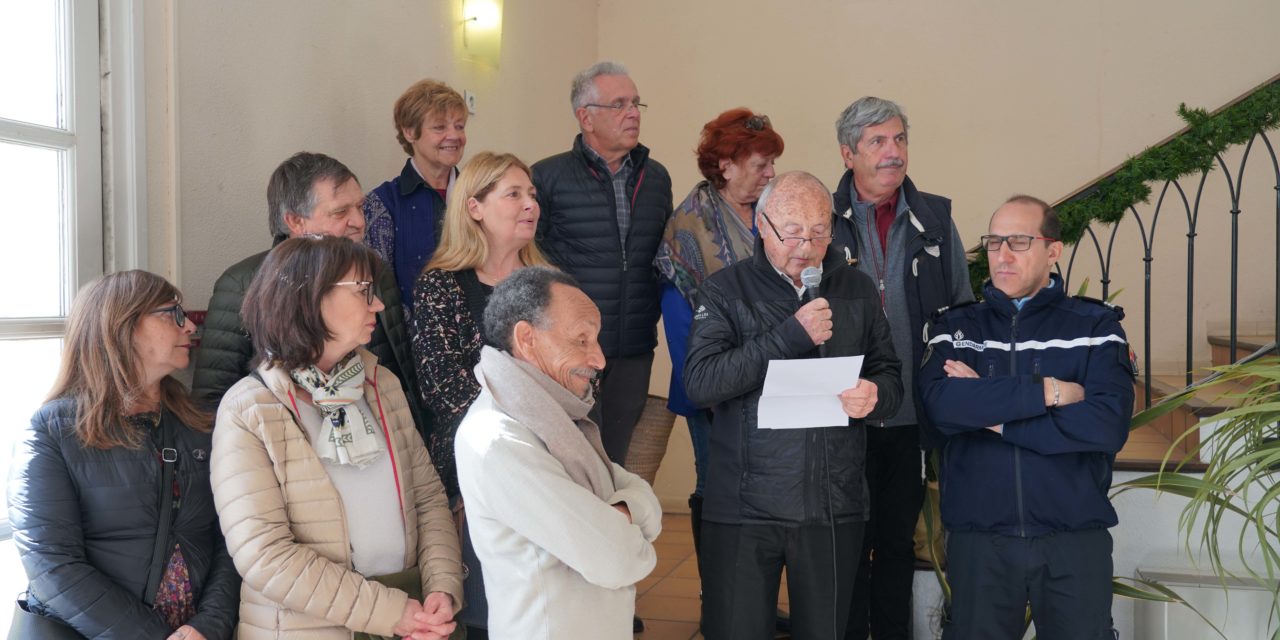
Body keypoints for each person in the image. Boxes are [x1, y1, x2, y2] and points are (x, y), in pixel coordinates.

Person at [684, 171, 903, 639]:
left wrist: (876, 395)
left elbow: (890, 374)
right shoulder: (726, 290)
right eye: (793, 232)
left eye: (819, 232)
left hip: (832, 502)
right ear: (762, 225)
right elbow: (700, 383)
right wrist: (788, 336)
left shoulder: (856, 289)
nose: (805, 246)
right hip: (744, 506)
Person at [211, 236, 463, 640]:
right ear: (310, 298)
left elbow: (429, 501)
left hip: (411, 621)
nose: (378, 305)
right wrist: (388, 612)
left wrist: (442, 589)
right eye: (364, 291)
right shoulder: (248, 407)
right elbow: (265, 556)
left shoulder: (381, 384)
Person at [918, 195, 1135, 639]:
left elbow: (1106, 423)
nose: (1002, 255)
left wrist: (994, 416)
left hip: (1072, 535)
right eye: (994, 242)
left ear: (1052, 251)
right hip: (980, 539)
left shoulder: (1094, 327)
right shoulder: (959, 328)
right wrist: (1050, 392)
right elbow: (941, 407)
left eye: (1018, 242)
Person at [8, 270, 240, 639]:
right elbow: (52, 565)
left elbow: (231, 538)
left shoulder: (199, 424)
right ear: (123, 326)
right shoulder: (52, 430)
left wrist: (208, 626)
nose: (190, 328)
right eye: (172, 314)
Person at [831, 96, 975, 640]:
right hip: (842, 413)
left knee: (895, 542)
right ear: (849, 154)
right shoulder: (822, 218)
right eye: (877, 142)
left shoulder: (935, 217)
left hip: (913, 410)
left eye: (899, 140)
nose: (893, 153)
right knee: (846, 542)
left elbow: (960, 306)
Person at [454, 266, 662, 640]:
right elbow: (615, 560)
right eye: (581, 340)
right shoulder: (498, 439)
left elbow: (640, 494)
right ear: (526, 338)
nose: (599, 360)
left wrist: (626, 512)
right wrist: (636, 541)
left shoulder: (563, 418)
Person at [192, 152, 428, 444]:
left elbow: (399, 369)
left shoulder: (377, 273)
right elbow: (212, 403)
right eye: (340, 212)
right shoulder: (242, 284)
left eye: (360, 207)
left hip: (381, 446)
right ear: (294, 221)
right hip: (288, 456)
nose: (358, 221)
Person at [409, 151, 550, 633]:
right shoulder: (439, 287)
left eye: (531, 194)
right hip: (475, 470)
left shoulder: (549, 286)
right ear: (474, 208)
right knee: (490, 614)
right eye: (514, 194)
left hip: (551, 463)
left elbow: (582, 374)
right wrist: (533, 417)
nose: (530, 204)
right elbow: (445, 387)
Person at [532, 60, 673, 467]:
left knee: (616, 462)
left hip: (633, 348)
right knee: (571, 462)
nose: (633, 113)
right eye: (619, 104)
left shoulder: (656, 178)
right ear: (586, 117)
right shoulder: (547, 177)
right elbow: (532, 265)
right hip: (571, 349)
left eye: (636, 103)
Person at [365, 79, 469, 316]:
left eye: (460, 126)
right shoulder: (383, 204)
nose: (454, 136)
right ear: (410, 131)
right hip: (416, 345)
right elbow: (382, 293)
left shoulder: (480, 195)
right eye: (440, 127)